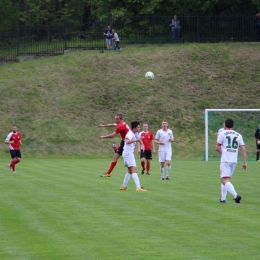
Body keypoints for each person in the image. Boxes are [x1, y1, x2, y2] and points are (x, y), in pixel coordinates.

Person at [216, 118, 247, 203]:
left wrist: (222, 152)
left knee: (224, 180)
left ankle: (235, 195)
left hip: (225, 160)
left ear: (225, 125)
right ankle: (223, 199)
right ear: (233, 125)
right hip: (234, 160)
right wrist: (244, 162)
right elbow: (243, 149)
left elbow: (217, 148)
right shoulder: (238, 135)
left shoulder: (222, 133)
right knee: (225, 179)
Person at [120, 121, 146, 191]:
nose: (139, 128)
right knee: (134, 169)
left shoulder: (136, 133)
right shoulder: (130, 133)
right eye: (138, 127)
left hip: (127, 153)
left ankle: (123, 186)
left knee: (130, 171)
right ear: (134, 128)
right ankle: (138, 187)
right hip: (128, 153)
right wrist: (137, 140)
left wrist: (142, 145)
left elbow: (139, 139)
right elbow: (127, 141)